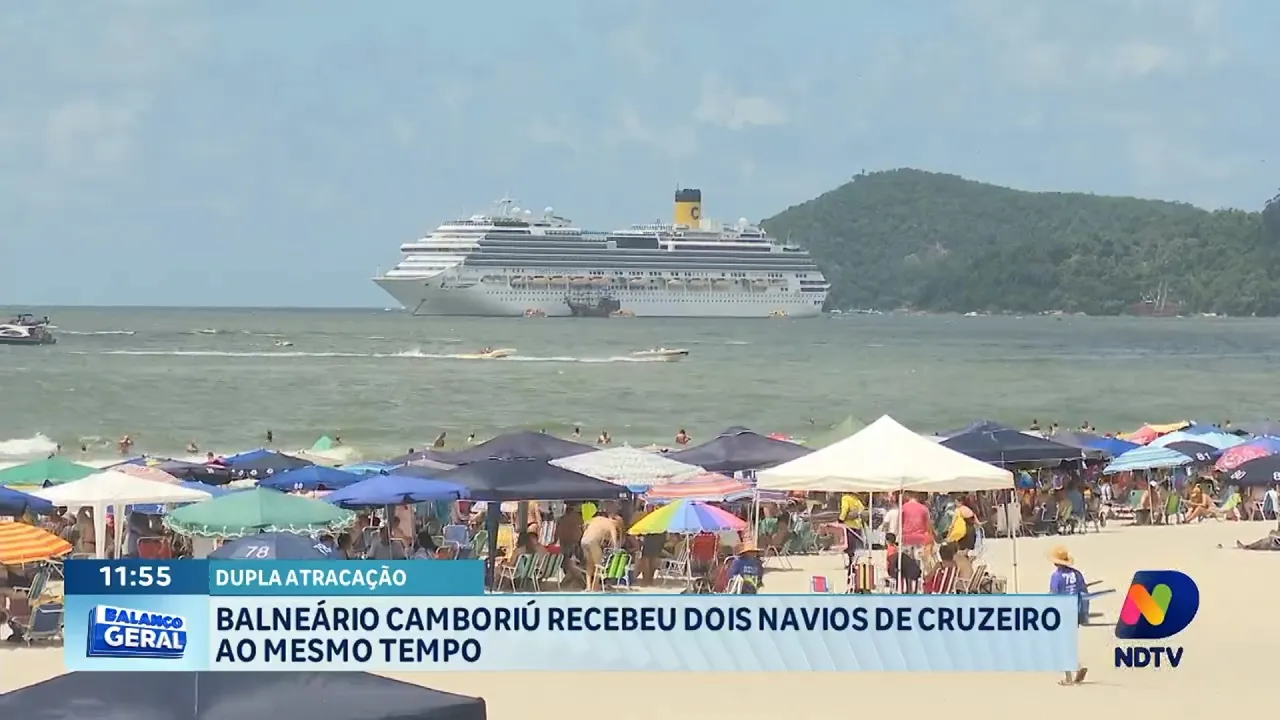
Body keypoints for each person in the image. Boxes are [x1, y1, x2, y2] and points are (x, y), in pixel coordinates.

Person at [1047, 546, 1089, 686]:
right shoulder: (1077, 574)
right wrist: (1084, 613)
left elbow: (1053, 595)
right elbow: (1084, 594)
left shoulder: (1056, 576)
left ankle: (1070, 675)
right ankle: (1076, 667)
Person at [581, 510, 620, 591]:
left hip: (584, 540)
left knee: (589, 564)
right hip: (593, 541)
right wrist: (615, 550)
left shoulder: (596, 519)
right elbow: (614, 541)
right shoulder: (611, 524)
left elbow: (585, 526)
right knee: (599, 565)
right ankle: (595, 587)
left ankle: (588, 587)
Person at [838, 492, 865, 564]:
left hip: (848, 525)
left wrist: (841, 519)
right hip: (857, 524)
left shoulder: (845, 498)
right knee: (855, 546)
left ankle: (851, 562)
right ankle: (854, 562)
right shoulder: (856, 498)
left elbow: (844, 509)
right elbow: (862, 509)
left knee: (849, 546)